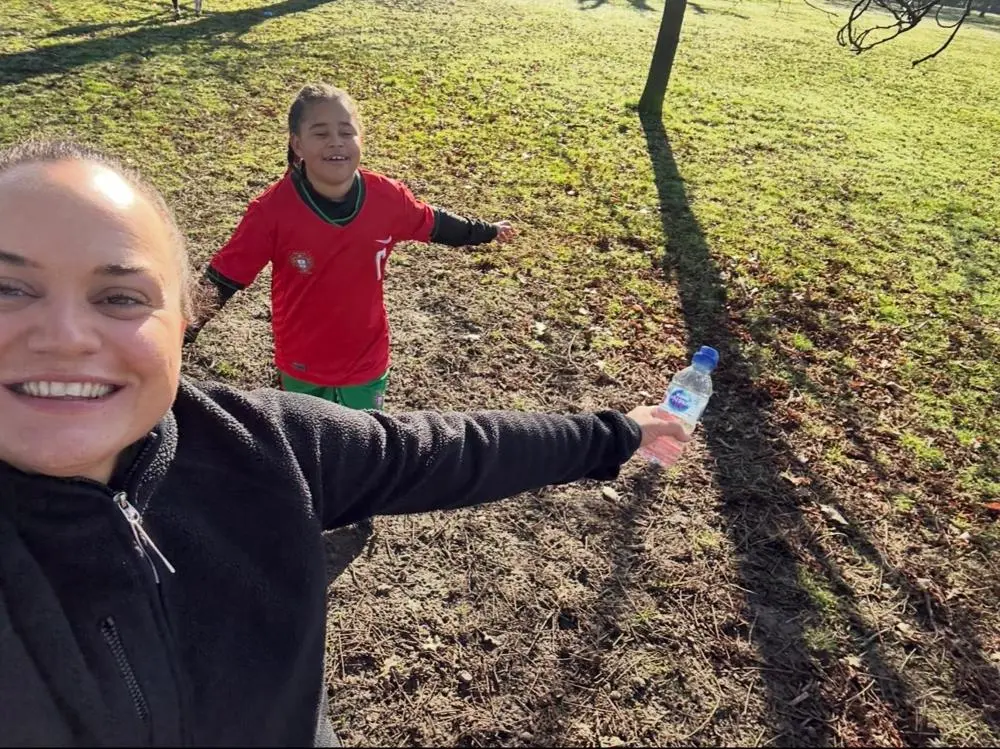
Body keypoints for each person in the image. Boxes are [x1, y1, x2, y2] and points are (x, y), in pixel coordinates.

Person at [0, 140, 690, 746]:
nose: (63, 336)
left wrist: (617, 431)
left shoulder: (272, 446)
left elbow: (452, 447)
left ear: (183, 318)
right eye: (7, 288)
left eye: (120, 297)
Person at [184, 83, 516, 412]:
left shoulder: (388, 198)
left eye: (346, 131)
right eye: (320, 133)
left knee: (364, 447)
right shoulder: (271, 211)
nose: (336, 142)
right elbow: (225, 277)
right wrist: (183, 329)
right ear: (297, 144)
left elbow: (435, 224)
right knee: (310, 445)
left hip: (366, 358)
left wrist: (486, 231)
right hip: (302, 359)